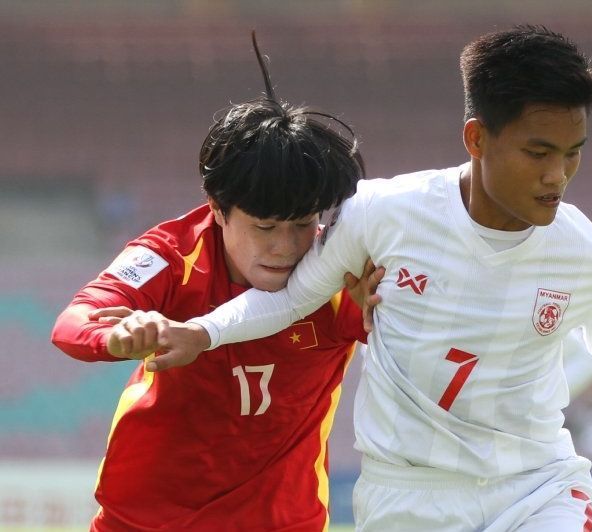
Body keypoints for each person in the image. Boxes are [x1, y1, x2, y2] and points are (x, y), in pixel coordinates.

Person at [153, 25, 592, 531]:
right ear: (476, 138)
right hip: (406, 496)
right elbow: (294, 300)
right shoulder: (381, 214)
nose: (556, 175)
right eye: (538, 153)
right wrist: (202, 333)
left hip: (539, 487)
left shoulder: (588, 251)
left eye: (572, 154)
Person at [49, 34, 373, 531]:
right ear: (217, 209)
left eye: (303, 223)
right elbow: (74, 323)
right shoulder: (170, 256)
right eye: (265, 226)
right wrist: (113, 337)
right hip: (141, 523)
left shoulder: (337, 270)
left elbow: (413, 338)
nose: (286, 246)